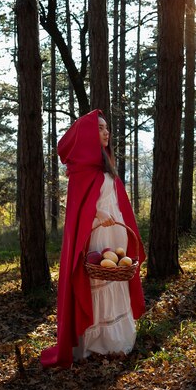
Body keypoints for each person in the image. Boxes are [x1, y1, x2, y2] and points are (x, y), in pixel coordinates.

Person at [40, 109, 146, 368]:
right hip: (97, 233)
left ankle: (116, 340)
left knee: (115, 279)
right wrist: (99, 215)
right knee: (97, 279)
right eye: (99, 128)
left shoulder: (106, 165)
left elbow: (117, 201)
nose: (106, 132)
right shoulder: (81, 171)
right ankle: (96, 343)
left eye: (106, 128)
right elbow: (82, 209)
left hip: (116, 231)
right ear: (89, 134)